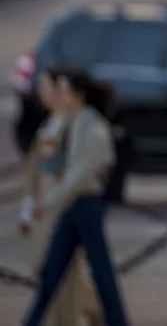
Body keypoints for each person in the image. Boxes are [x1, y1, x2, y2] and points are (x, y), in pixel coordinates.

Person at [22, 68, 128, 326]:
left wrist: (47, 202)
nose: (60, 95)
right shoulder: (75, 122)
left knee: (101, 272)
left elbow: (78, 175)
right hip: (74, 205)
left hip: (87, 205)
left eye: (64, 90)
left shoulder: (92, 126)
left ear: (78, 95)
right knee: (53, 272)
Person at [19, 109, 100, 326]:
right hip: (44, 215)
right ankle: (94, 306)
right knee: (45, 268)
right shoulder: (47, 129)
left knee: (66, 274)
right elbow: (33, 172)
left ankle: (75, 316)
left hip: (65, 212)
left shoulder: (79, 130)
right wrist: (26, 210)